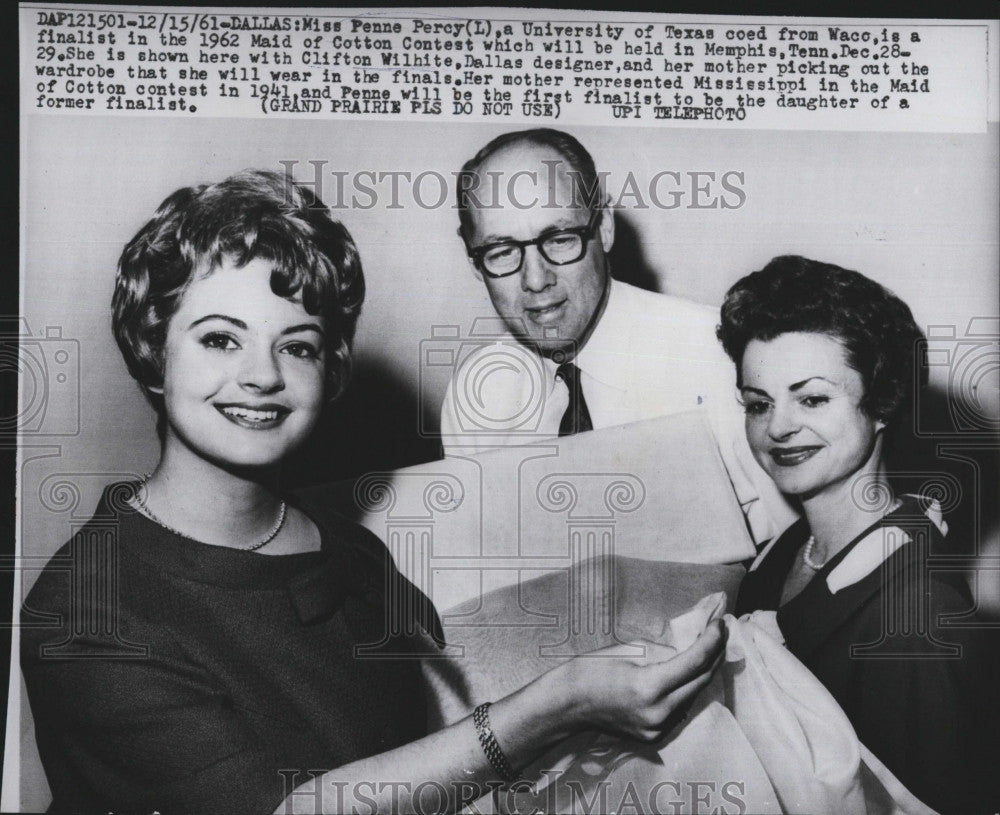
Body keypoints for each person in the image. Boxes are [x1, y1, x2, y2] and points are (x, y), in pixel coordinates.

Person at [20, 169, 727, 815]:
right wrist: (558, 704)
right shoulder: (85, 613)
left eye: (296, 345)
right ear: (151, 347)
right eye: (220, 339)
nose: (263, 375)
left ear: (328, 367)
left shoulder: (340, 540)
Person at [719, 255, 999, 814]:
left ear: (882, 403)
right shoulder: (778, 555)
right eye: (758, 403)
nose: (777, 427)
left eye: (813, 398)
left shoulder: (916, 620)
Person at [443, 128, 794, 545]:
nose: (536, 280)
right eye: (502, 251)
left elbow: (803, 558)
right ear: (474, 261)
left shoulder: (720, 355)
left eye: (559, 239)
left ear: (604, 228)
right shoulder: (476, 393)